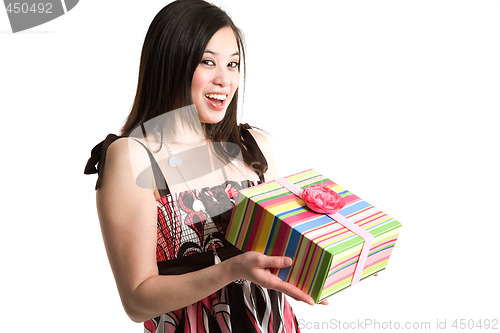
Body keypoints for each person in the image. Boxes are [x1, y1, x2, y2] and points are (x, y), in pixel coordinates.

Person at [85, 1, 318, 332]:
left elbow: (279, 257)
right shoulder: (132, 156)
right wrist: (231, 269)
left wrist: (335, 255)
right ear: (172, 64)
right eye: (208, 62)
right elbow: (137, 300)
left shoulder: (255, 147)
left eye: (234, 64)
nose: (225, 79)